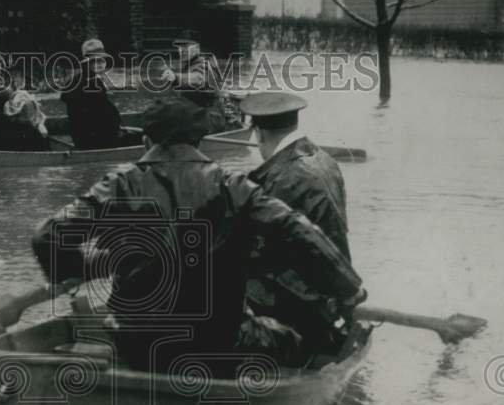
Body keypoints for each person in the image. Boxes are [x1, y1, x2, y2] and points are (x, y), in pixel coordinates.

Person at [30, 95, 366, 371]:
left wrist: (75, 272)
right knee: (296, 341)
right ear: (199, 141)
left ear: (147, 141)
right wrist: (349, 291)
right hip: (218, 346)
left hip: (136, 343)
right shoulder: (233, 186)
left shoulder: (119, 184)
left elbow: (47, 234)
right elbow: (300, 233)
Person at [240, 91, 353, 353]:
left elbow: (260, 250)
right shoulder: (326, 160)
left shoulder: (282, 178)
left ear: (259, 134)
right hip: (331, 284)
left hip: (301, 299)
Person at [0, 49, 51, 151]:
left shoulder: (0, 86)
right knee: (30, 132)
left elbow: (11, 107)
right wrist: (28, 125)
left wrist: (36, 120)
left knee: (34, 130)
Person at [159, 32, 234, 134]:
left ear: (197, 48)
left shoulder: (204, 64)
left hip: (211, 119)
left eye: (187, 47)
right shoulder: (189, 65)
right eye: (180, 47)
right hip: (198, 116)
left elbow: (198, 79)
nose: (182, 50)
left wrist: (176, 78)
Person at [59, 38, 125, 150]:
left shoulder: (84, 79)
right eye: (94, 61)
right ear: (87, 63)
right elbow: (101, 114)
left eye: (101, 60)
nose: (99, 64)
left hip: (86, 138)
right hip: (94, 141)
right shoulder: (90, 83)